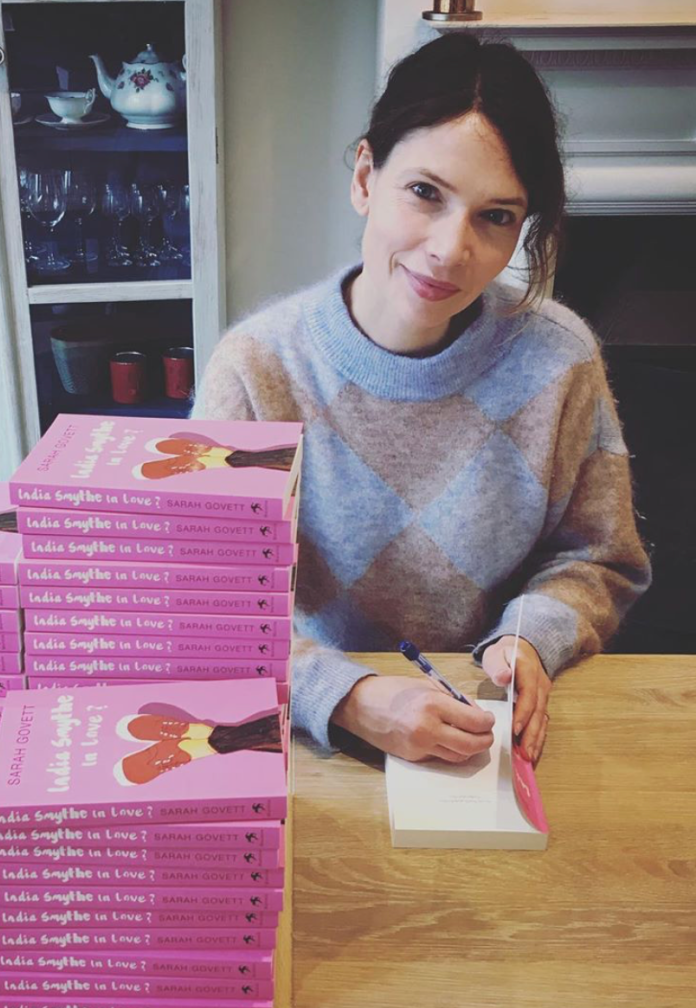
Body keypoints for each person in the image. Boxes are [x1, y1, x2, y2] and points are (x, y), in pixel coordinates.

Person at [192, 33, 651, 766]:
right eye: (425, 193)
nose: (448, 249)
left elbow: (598, 559)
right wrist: (349, 697)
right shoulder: (254, 369)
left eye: (495, 216)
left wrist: (530, 636)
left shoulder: (561, 360)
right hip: (308, 737)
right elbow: (208, 604)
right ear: (365, 177)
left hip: (486, 731)